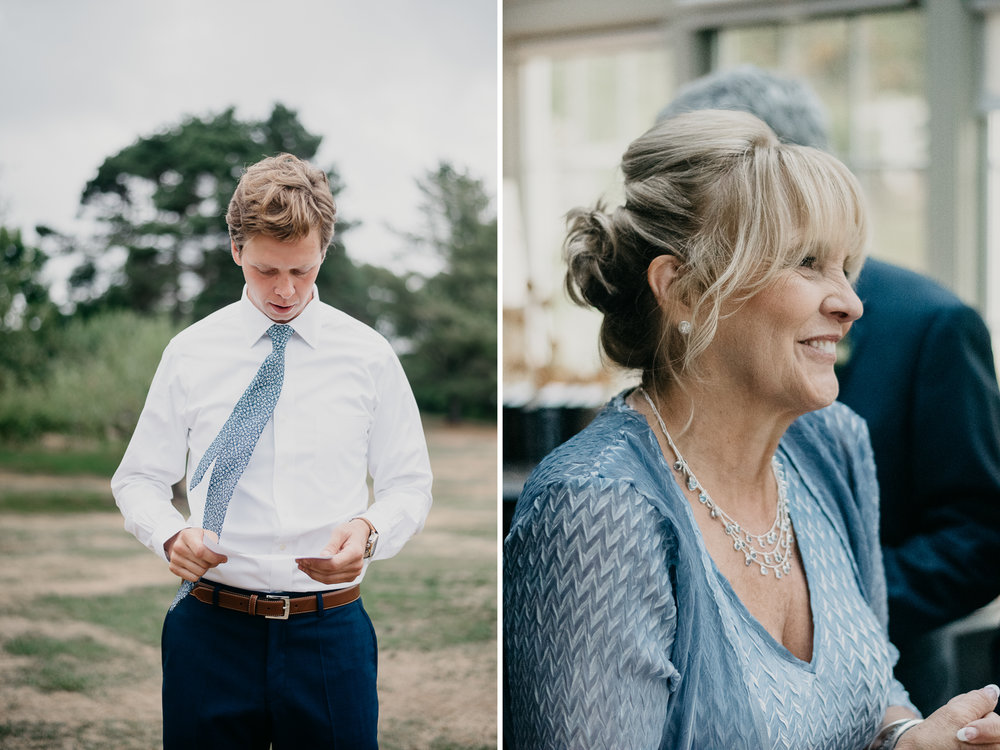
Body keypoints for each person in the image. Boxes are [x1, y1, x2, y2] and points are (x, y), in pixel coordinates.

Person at [503, 109, 1000, 748]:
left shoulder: (833, 445)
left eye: (845, 267)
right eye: (806, 262)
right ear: (681, 290)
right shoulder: (598, 508)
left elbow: (870, 689)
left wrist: (907, 735)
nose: (851, 302)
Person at [657, 65, 1000, 713]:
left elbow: (982, 533)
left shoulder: (932, 326)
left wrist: (823, 606)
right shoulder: (690, 311)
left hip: (887, 692)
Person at [112, 153, 433, 748]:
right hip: (210, 635)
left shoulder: (369, 356)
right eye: (266, 271)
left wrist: (369, 529)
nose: (285, 291)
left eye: (302, 271)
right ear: (236, 251)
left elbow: (409, 482)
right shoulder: (189, 353)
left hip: (329, 636)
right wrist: (167, 535)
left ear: (323, 255)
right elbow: (137, 479)